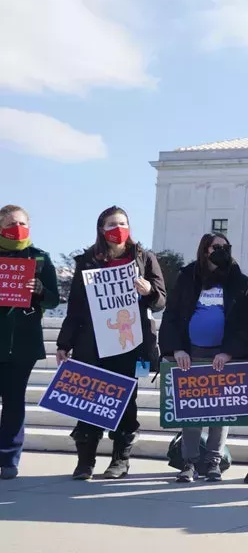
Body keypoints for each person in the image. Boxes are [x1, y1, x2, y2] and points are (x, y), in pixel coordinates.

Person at [56, 206, 166, 480]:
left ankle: (120, 461)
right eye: (112, 224)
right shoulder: (87, 261)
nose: (118, 228)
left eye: (123, 223)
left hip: (129, 343)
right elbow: (76, 306)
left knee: (126, 402)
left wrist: (149, 291)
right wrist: (64, 342)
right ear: (101, 229)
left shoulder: (144, 258)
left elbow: (162, 299)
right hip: (92, 343)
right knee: (89, 400)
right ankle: (85, 462)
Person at [158, 232, 248, 482]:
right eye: (216, 247)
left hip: (224, 355)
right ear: (205, 250)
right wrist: (176, 349)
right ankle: (189, 462)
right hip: (192, 353)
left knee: (221, 411)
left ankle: (214, 460)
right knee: (192, 410)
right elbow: (172, 315)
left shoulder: (240, 282)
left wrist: (230, 352)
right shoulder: (188, 277)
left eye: (225, 247)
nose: (220, 251)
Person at [0, 205, 60, 480]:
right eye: (12, 223)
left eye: (23, 223)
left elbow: (53, 299)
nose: (18, 228)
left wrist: (39, 290)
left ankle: (9, 459)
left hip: (22, 344)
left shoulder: (41, 258)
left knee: (14, 402)